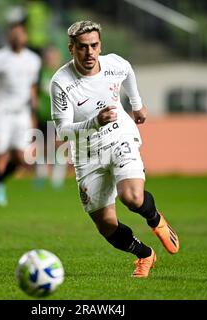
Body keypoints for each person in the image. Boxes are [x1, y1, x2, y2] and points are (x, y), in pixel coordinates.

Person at [50, 21, 179, 278]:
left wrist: (137, 104)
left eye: (94, 46)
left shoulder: (114, 65)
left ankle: (156, 220)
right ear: (71, 48)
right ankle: (144, 254)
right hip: (87, 153)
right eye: (83, 47)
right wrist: (94, 122)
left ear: (100, 46)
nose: (90, 53)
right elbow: (62, 131)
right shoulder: (61, 82)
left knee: (131, 197)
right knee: (106, 226)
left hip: (120, 136)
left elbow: (128, 71)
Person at [0, 22, 41, 211]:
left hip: (21, 112)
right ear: (8, 37)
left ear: (25, 37)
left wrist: (34, 102)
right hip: (2, 111)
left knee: (22, 159)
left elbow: (32, 85)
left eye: (20, 34)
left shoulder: (33, 60)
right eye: (13, 34)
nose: (17, 38)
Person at [34, 46, 67, 190]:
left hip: (59, 117)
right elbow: (35, 91)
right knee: (43, 145)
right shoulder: (41, 73)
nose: (51, 59)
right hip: (43, 114)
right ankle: (41, 175)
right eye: (49, 56)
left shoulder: (64, 74)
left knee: (59, 145)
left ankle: (57, 177)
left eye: (53, 56)